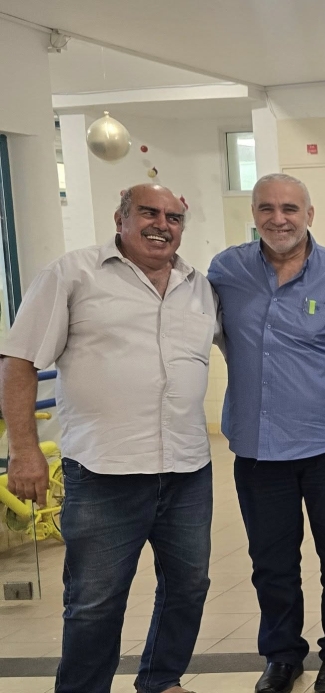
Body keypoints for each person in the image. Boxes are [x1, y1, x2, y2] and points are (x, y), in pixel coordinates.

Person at [1, 185, 214, 693]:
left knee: (188, 587)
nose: (162, 225)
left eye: (173, 217)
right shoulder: (73, 274)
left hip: (186, 470)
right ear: (121, 219)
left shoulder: (199, 287)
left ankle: (161, 680)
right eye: (148, 213)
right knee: (95, 602)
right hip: (104, 473)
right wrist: (24, 450)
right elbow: (19, 360)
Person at [209, 173, 325, 693]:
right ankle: (282, 655)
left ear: (309, 214)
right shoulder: (226, 271)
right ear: (254, 214)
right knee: (271, 561)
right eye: (267, 208)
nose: (278, 219)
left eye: (289, 209)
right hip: (258, 448)